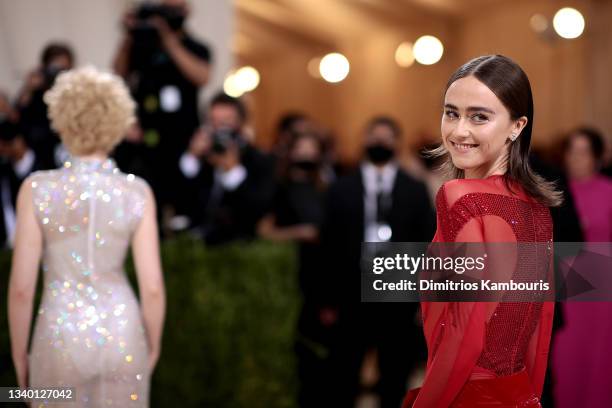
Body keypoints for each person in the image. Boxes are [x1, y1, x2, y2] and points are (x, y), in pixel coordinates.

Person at [403, 55, 560, 407]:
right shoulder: (537, 206)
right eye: (451, 112)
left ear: (517, 126)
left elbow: (464, 332)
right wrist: (530, 397)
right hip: (519, 392)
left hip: (464, 394)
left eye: (479, 116)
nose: (459, 130)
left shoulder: (460, 197)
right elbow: (539, 328)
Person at [8, 66, 166, 407]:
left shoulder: (37, 189)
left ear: (62, 119)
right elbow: (152, 287)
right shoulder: (137, 192)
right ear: (118, 122)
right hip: (124, 333)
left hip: (59, 334)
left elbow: (22, 289)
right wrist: (152, 346)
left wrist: (19, 355)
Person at [323, 116, 435, 408]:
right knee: (344, 374)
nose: (380, 143)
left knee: (394, 376)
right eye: (374, 137)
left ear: (397, 144)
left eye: (387, 138)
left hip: (397, 295)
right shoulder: (341, 188)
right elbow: (328, 246)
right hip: (351, 293)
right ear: (363, 141)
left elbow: (426, 245)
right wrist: (327, 299)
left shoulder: (414, 189)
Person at [112, 0, 211, 214]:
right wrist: (130, 33)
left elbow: (202, 76)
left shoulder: (195, 47)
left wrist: (168, 39)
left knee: (183, 199)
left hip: (182, 140)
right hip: (144, 143)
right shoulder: (141, 47)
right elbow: (117, 74)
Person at [551, 126, 612, 408]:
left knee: (600, 359)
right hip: (565, 288)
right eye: (571, 152)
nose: (576, 158)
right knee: (565, 357)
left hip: (602, 294)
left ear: (598, 157)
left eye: (583, 152)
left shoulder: (608, 192)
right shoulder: (553, 194)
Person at [178, 92, 275, 244]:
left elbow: (258, 208)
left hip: (239, 246)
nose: (220, 129)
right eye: (214, 121)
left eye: (226, 121)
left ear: (240, 123)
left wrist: (233, 170)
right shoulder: (201, 158)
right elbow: (179, 196)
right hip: (196, 244)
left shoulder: (259, 160)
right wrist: (192, 156)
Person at [16, 42, 74, 169]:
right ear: (44, 68)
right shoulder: (36, 94)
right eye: (55, 69)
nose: (59, 75)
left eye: (65, 70)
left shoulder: (76, 92)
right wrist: (28, 89)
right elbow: (19, 122)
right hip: (44, 161)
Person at [0, 120, 43, 248]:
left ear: (17, 141)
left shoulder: (44, 166)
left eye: (3, 145)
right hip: (13, 241)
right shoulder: (4, 173)